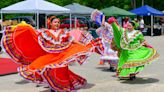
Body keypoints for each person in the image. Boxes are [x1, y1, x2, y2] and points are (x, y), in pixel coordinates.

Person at [2, 16, 103, 92]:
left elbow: (72, 41)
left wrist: (82, 46)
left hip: (62, 56)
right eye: (55, 22)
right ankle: (53, 88)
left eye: (58, 22)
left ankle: (59, 88)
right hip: (50, 56)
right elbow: (34, 35)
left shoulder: (63, 32)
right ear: (50, 23)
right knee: (43, 68)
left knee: (61, 71)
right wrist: (27, 28)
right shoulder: (45, 32)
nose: (57, 23)